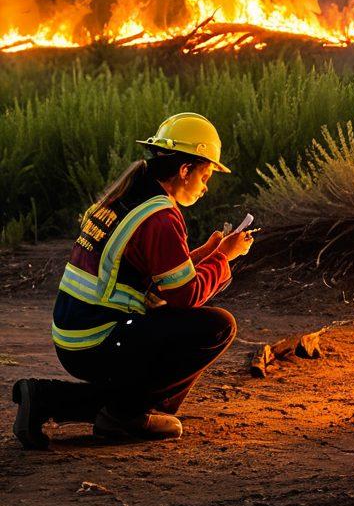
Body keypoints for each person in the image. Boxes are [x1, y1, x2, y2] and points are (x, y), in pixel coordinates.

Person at [12, 113, 251, 449]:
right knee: (217, 326)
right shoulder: (159, 216)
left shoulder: (128, 196)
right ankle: (129, 414)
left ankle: (45, 398)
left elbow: (156, 274)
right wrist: (226, 258)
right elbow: (186, 295)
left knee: (152, 356)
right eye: (206, 175)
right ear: (185, 170)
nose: (205, 185)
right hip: (101, 340)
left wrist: (208, 253)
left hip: (77, 334)